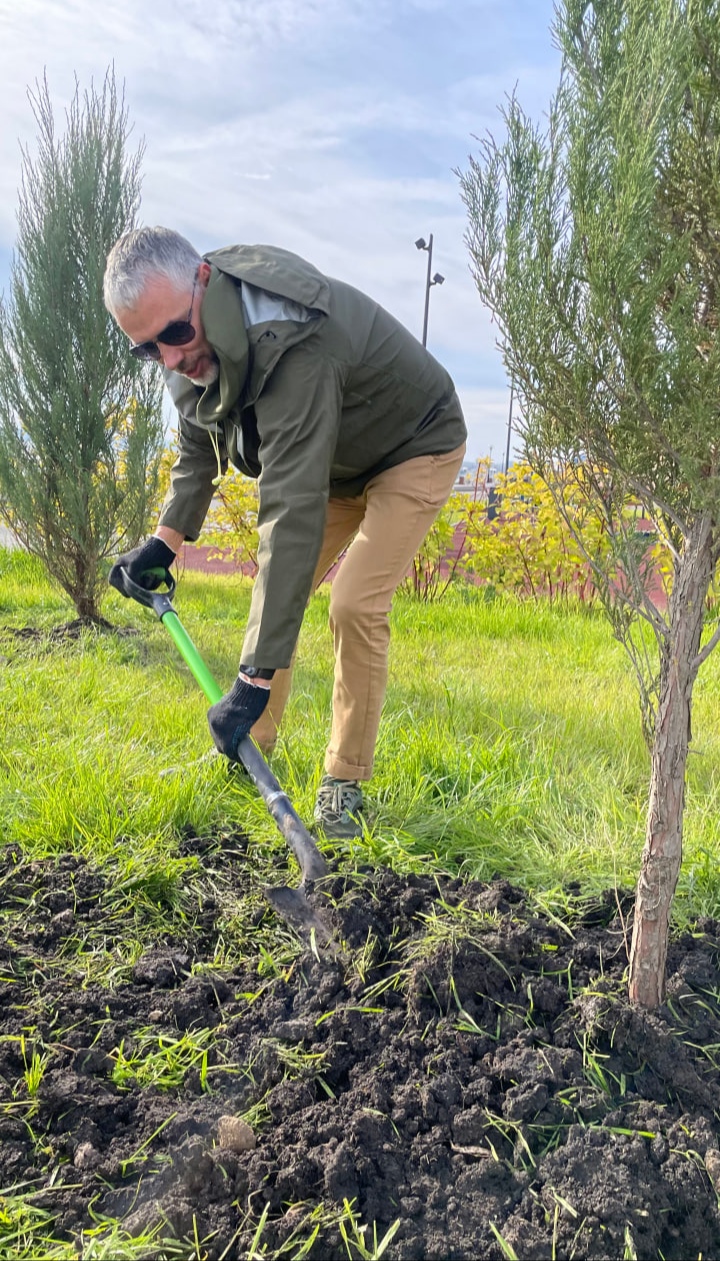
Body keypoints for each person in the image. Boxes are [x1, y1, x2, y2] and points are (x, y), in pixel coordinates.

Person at [104, 227, 466, 839]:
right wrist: (163, 542)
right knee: (276, 583)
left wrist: (250, 682)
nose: (168, 359)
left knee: (353, 602)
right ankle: (254, 748)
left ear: (203, 283)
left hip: (413, 444)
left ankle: (344, 784)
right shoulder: (186, 341)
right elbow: (198, 448)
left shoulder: (296, 338)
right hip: (335, 462)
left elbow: (291, 505)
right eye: (147, 349)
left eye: (173, 335)